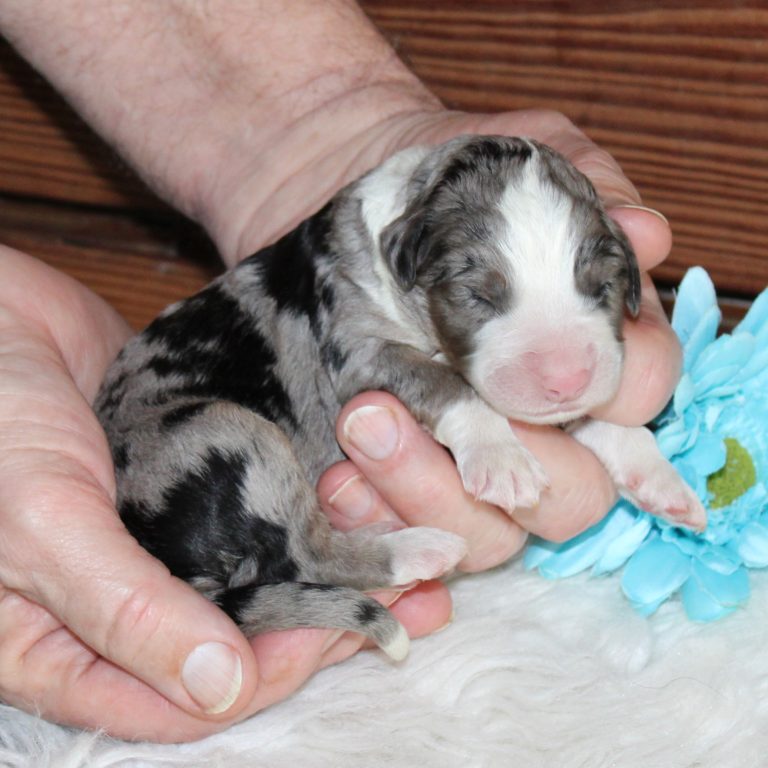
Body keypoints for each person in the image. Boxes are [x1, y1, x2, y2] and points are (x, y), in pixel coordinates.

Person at [0, 0, 680, 743]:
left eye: (596, 285)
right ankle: (332, 561)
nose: (562, 365)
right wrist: (470, 422)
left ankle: (305, 569)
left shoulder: (409, 240)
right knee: (296, 435)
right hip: (171, 453)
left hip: (245, 472)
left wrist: (623, 441)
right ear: (406, 257)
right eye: (483, 297)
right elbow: (369, 368)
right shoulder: (353, 262)